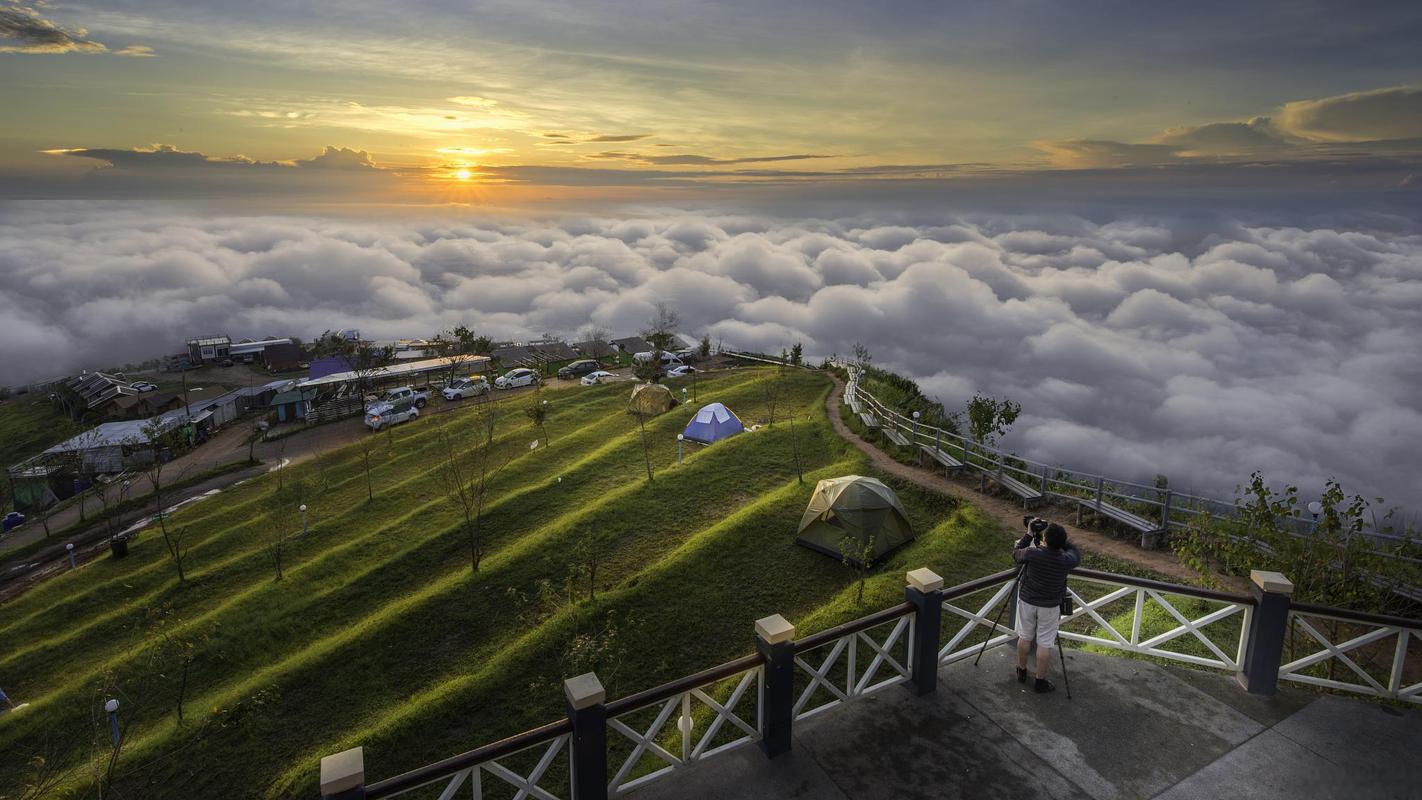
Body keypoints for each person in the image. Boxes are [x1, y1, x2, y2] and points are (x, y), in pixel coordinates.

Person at [1013, 519, 1080, 693]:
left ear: (1045, 539)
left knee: (1025, 636)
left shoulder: (1033, 554)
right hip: (1050, 606)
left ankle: (1021, 671)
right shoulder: (1066, 560)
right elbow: (1076, 553)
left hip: (1028, 601)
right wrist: (1061, 541)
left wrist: (1029, 534)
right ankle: (1040, 682)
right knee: (1044, 643)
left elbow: (1016, 553)